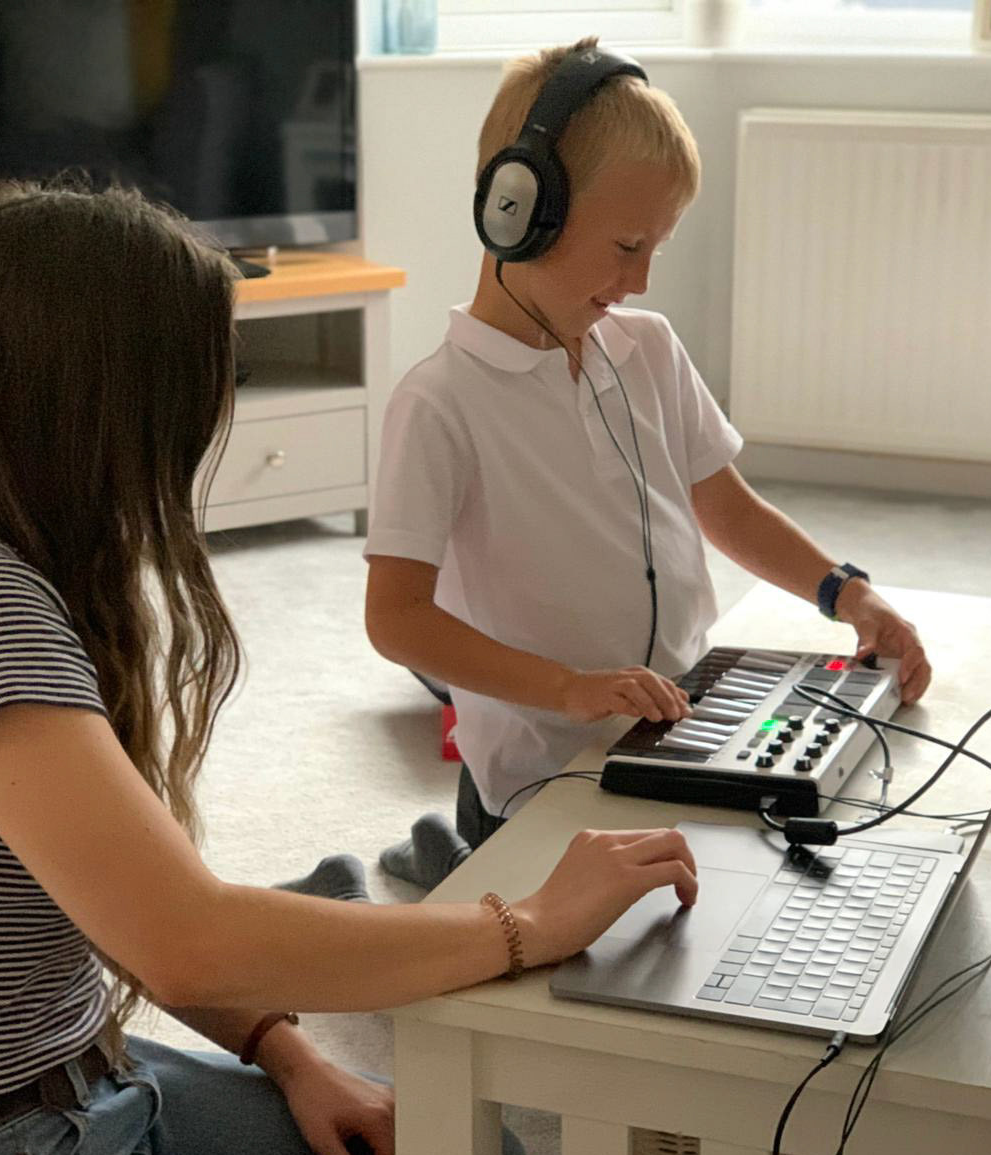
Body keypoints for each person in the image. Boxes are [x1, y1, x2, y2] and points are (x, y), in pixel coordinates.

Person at [0, 179, 700, 1155]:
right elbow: (188, 940)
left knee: (474, 1153)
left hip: (69, 1089)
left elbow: (127, 912)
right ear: (103, 400)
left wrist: (289, 1050)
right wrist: (527, 925)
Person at [367, 39, 932, 891]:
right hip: (539, 775)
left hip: (668, 725)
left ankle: (438, 854)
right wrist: (568, 689)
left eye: (656, 248)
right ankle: (435, 857)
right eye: (627, 244)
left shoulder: (647, 350)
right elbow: (397, 620)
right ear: (518, 210)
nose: (640, 279)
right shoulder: (440, 402)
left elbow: (727, 507)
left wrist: (847, 593)